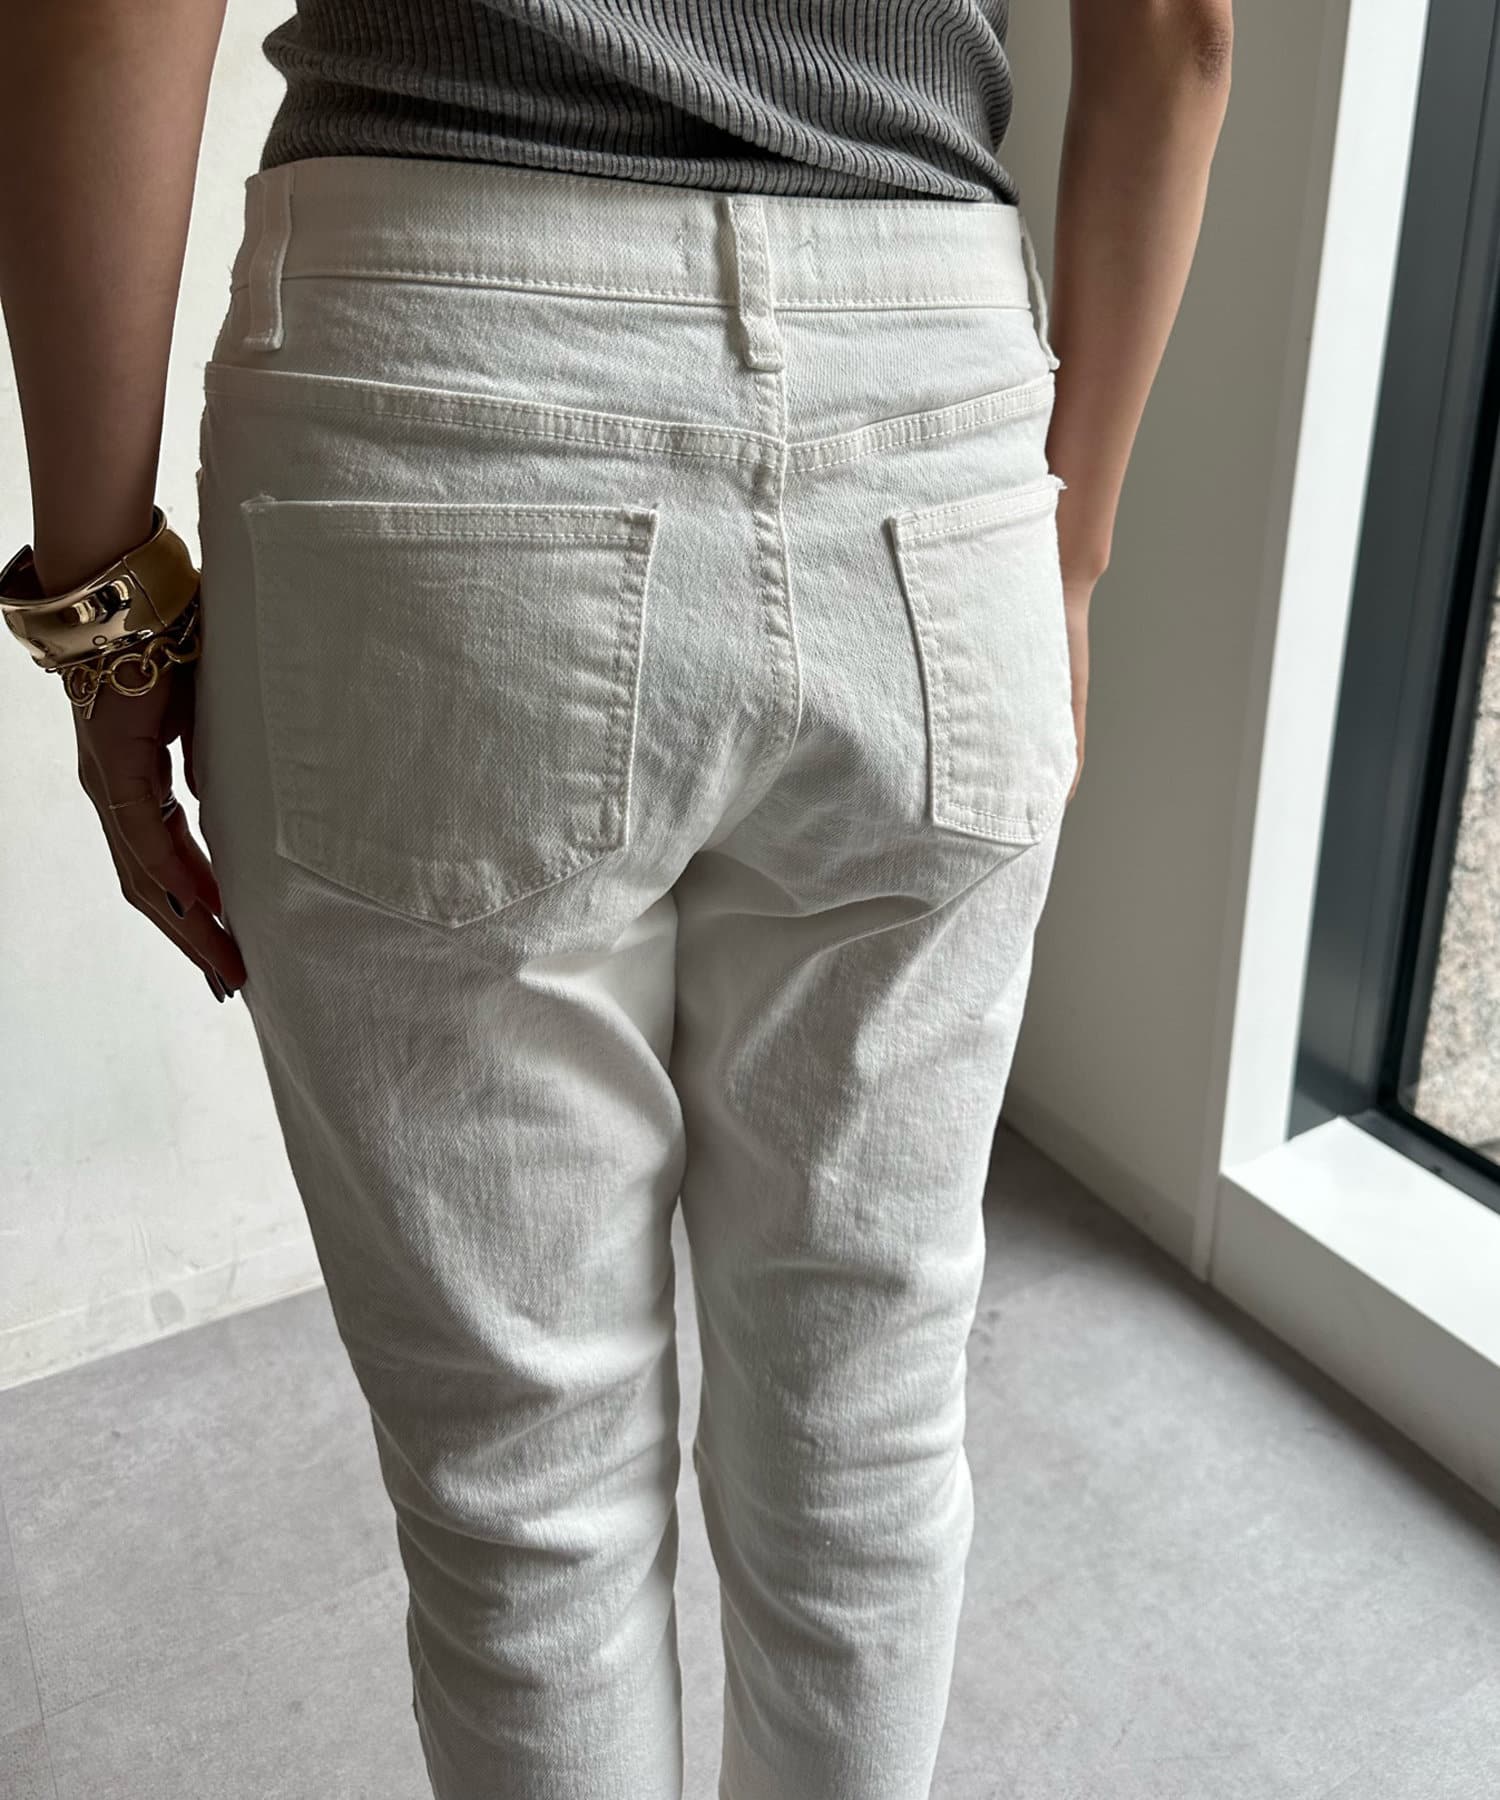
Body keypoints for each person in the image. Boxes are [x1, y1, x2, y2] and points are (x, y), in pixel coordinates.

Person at [0, 3, 1232, 1795]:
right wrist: (1070, 554)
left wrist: (103, 617)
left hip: (442, 373)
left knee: (527, 1497)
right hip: (936, 406)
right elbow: (1179, 33)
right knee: (866, 1439)